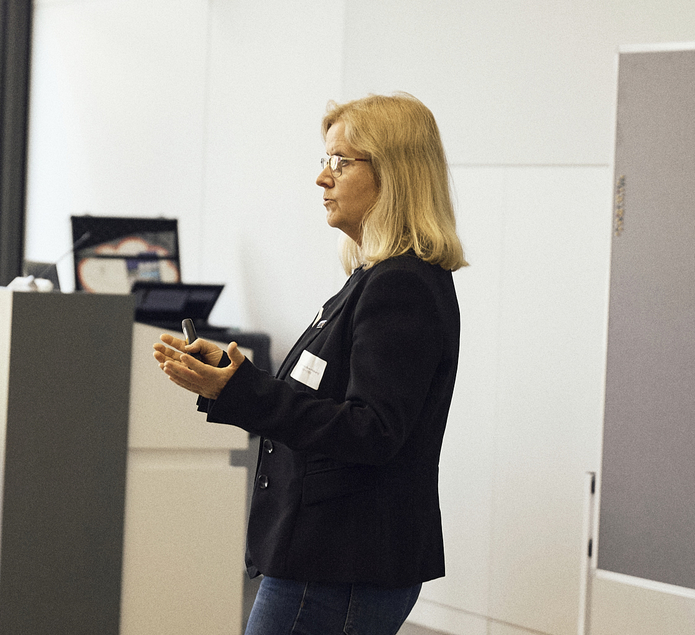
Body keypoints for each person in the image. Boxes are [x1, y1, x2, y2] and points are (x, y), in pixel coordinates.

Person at [153, 92, 466, 635]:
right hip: (328, 559)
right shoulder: (375, 279)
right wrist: (234, 381)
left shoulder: (402, 286)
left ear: (394, 175)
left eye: (340, 163)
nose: (323, 178)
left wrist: (244, 391)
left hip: (340, 564)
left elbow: (372, 430)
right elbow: (327, 398)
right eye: (325, 161)